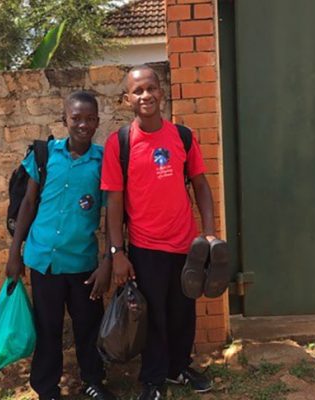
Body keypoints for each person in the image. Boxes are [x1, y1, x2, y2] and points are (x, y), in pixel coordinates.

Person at [101, 65, 218, 400]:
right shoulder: (120, 143)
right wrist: (116, 252)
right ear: (127, 100)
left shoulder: (182, 136)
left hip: (186, 244)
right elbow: (113, 201)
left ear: (162, 93)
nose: (145, 95)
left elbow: (200, 184)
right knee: (152, 317)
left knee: (183, 312)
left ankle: (178, 367)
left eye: (151, 88)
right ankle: (152, 381)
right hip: (145, 246)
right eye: (137, 91)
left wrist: (208, 234)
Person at [6, 91, 116, 400]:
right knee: (48, 328)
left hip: (83, 263)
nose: (83, 124)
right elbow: (28, 203)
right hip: (44, 260)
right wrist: (16, 253)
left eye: (90, 119)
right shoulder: (45, 155)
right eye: (76, 118)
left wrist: (107, 261)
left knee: (88, 327)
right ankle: (46, 388)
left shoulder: (103, 160)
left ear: (97, 121)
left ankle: (93, 380)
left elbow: (111, 215)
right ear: (64, 119)